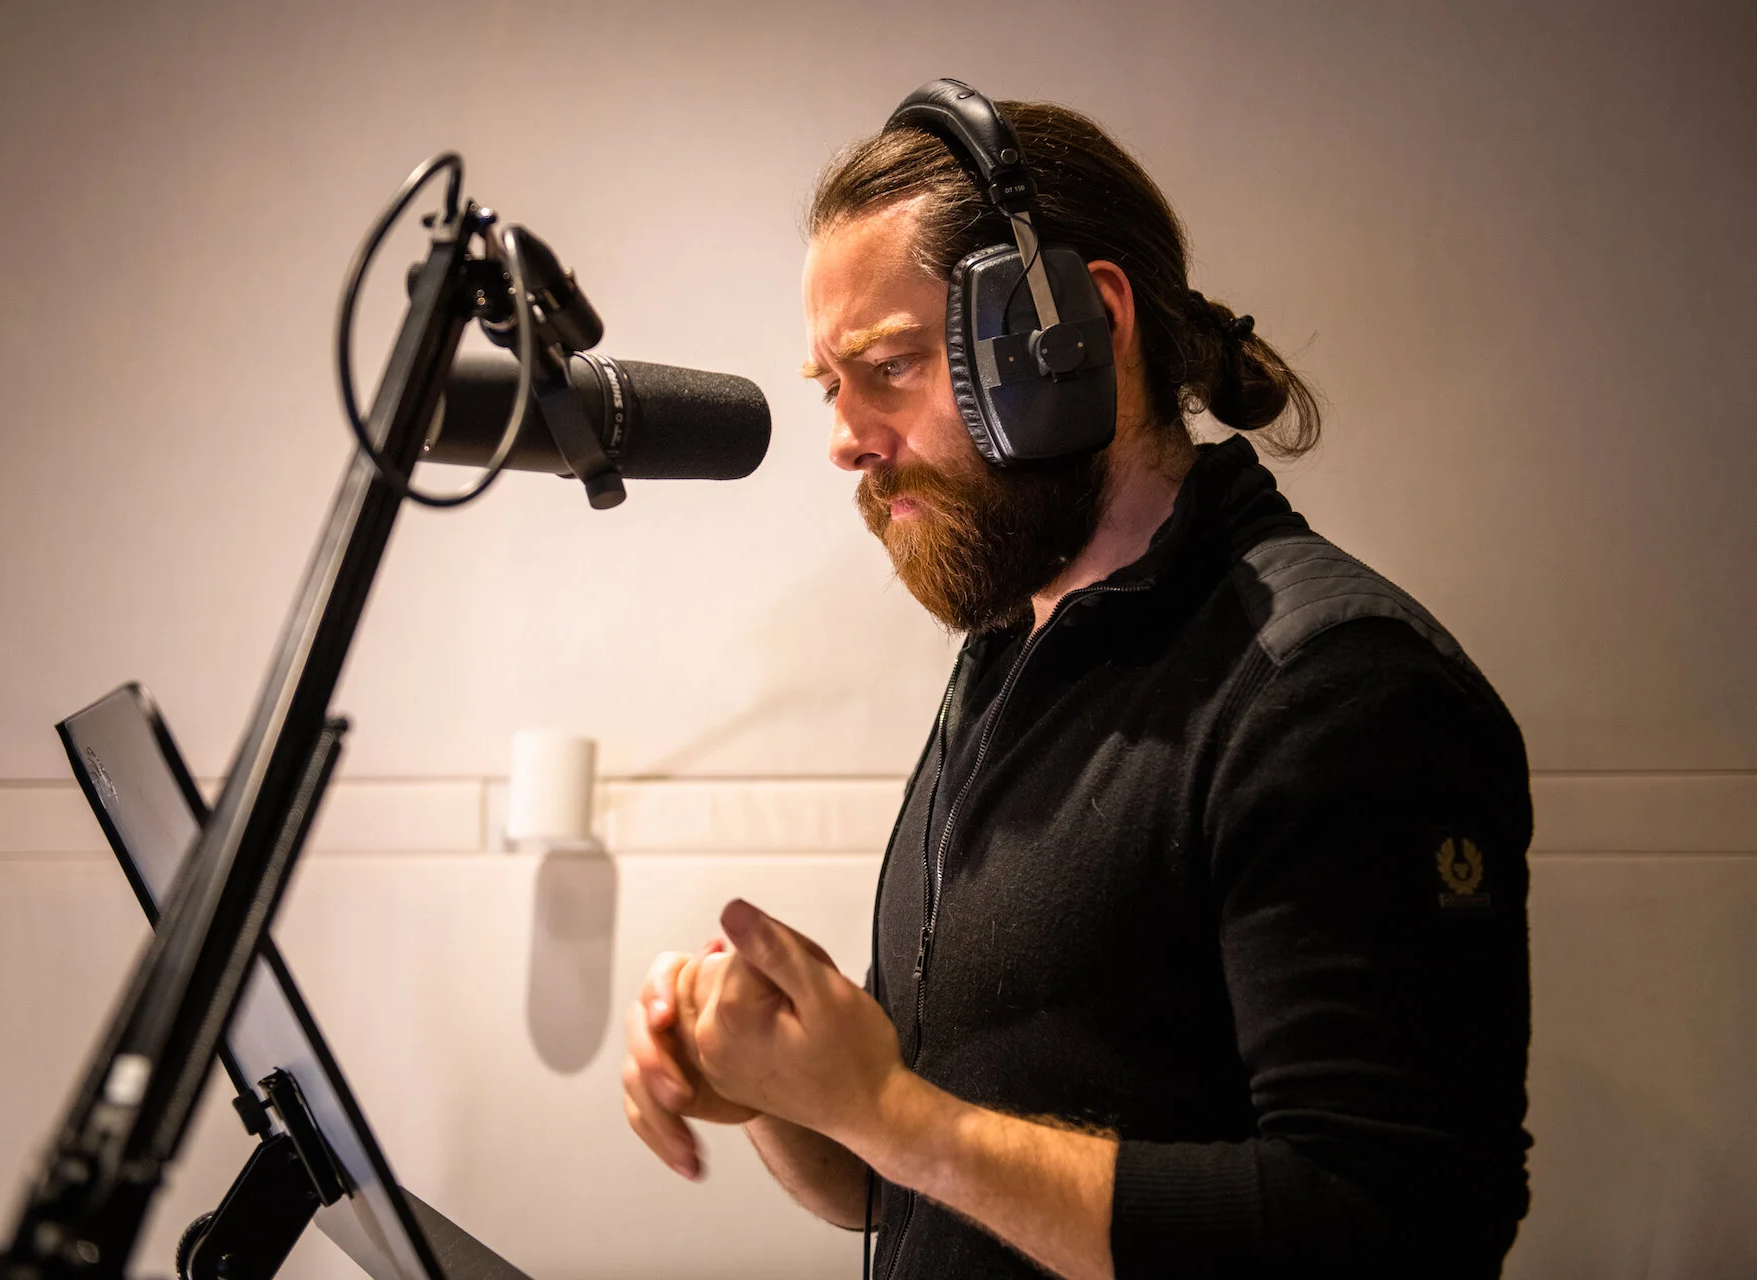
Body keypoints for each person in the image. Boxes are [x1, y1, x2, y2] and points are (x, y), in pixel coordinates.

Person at [621, 86, 1531, 1280]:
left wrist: (896, 1115)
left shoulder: (1335, 691)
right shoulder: (1006, 660)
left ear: (1075, 332)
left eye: (888, 364)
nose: (843, 434)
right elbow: (920, 1183)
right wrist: (791, 1090)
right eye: (827, 385)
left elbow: (1391, 1228)